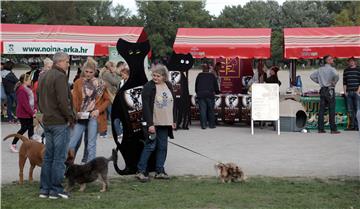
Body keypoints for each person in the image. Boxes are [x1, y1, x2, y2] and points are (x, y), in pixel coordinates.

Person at [37, 52, 75, 199]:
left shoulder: (43, 75)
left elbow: (39, 98)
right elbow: (63, 101)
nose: (68, 64)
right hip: (59, 122)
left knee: (48, 157)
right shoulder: (59, 76)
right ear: (59, 62)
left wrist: (45, 112)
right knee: (59, 158)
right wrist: (70, 117)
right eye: (67, 61)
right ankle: (56, 189)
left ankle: (45, 189)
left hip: (48, 120)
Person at [136, 64, 176, 182]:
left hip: (165, 122)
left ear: (164, 76)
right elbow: (146, 107)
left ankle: (160, 171)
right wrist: (150, 124)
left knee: (163, 147)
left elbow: (173, 103)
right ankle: (141, 171)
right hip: (153, 122)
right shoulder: (148, 87)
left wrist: (173, 120)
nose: (155, 78)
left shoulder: (168, 85)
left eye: (158, 76)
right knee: (150, 146)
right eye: (154, 75)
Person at [68, 57, 110, 163]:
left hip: (93, 117)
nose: (88, 74)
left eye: (91, 72)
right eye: (86, 71)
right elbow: (74, 100)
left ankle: (91, 168)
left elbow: (107, 100)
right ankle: (65, 165)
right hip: (80, 115)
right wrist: (74, 113)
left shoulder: (100, 84)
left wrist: (98, 110)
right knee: (72, 142)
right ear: (83, 71)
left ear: (94, 72)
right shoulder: (78, 82)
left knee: (91, 143)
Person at [310, 55, 340, 134]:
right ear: (327, 61)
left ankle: (320, 129)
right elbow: (337, 75)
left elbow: (312, 76)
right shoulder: (332, 69)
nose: (332, 59)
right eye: (330, 59)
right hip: (330, 89)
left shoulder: (320, 69)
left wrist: (319, 82)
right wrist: (334, 82)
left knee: (321, 110)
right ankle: (333, 129)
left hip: (322, 89)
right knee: (331, 109)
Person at [10, 74, 37, 153]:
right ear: (24, 81)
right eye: (29, 80)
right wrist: (32, 113)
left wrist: (35, 108)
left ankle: (31, 145)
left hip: (30, 113)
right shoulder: (21, 90)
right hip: (23, 114)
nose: (30, 81)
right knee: (23, 128)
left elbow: (34, 99)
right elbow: (24, 104)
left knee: (31, 128)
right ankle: (13, 144)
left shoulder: (29, 89)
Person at [99, 61, 121, 138]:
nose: (115, 68)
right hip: (109, 97)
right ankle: (119, 132)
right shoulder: (107, 74)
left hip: (108, 96)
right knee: (114, 114)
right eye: (114, 67)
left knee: (106, 115)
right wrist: (116, 75)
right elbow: (117, 82)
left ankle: (103, 132)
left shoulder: (106, 73)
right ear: (110, 67)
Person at [195, 63, 220, 129]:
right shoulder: (212, 76)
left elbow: (196, 86)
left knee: (202, 110)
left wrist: (198, 93)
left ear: (203, 69)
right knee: (211, 110)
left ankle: (203, 125)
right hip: (210, 95)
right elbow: (216, 86)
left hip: (201, 95)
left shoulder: (199, 75)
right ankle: (212, 125)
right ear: (208, 69)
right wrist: (217, 92)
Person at [343, 57, 360, 131]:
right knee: (350, 110)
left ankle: (357, 126)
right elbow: (344, 82)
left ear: (355, 62)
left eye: (353, 61)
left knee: (357, 110)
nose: (351, 62)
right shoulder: (346, 70)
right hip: (349, 92)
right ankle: (352, 126)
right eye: (350, 61)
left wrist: (358, 91)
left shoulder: (358, 70)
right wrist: (345, 92)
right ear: (348, 62)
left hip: (357, 92)